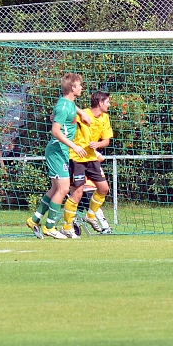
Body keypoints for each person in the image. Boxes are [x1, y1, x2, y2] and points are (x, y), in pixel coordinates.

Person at [26, 73, 91, 240]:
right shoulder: (63, 107)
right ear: (72, 88)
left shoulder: (69, 103)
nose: (81, 88)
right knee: (63, 188)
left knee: (56, 189)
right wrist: (74, 146)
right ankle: (50, 227)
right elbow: (55, 131)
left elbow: (70, 107)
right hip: (56, 151)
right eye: (79, 85)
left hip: (60, 151)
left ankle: (34, 220)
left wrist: (82, 113)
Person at [59, 91, 113, 238]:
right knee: (77, 194)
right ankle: (66, 227)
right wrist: (56, 118)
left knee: (104, 188)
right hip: (77, 157)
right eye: (107, 102)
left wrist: (97, 144)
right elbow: (67, 108)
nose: (109, 105)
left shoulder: (105, 118)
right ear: (100, 103)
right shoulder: (84, 114)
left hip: (91, 158)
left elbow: (106, 141)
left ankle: (90, 215)